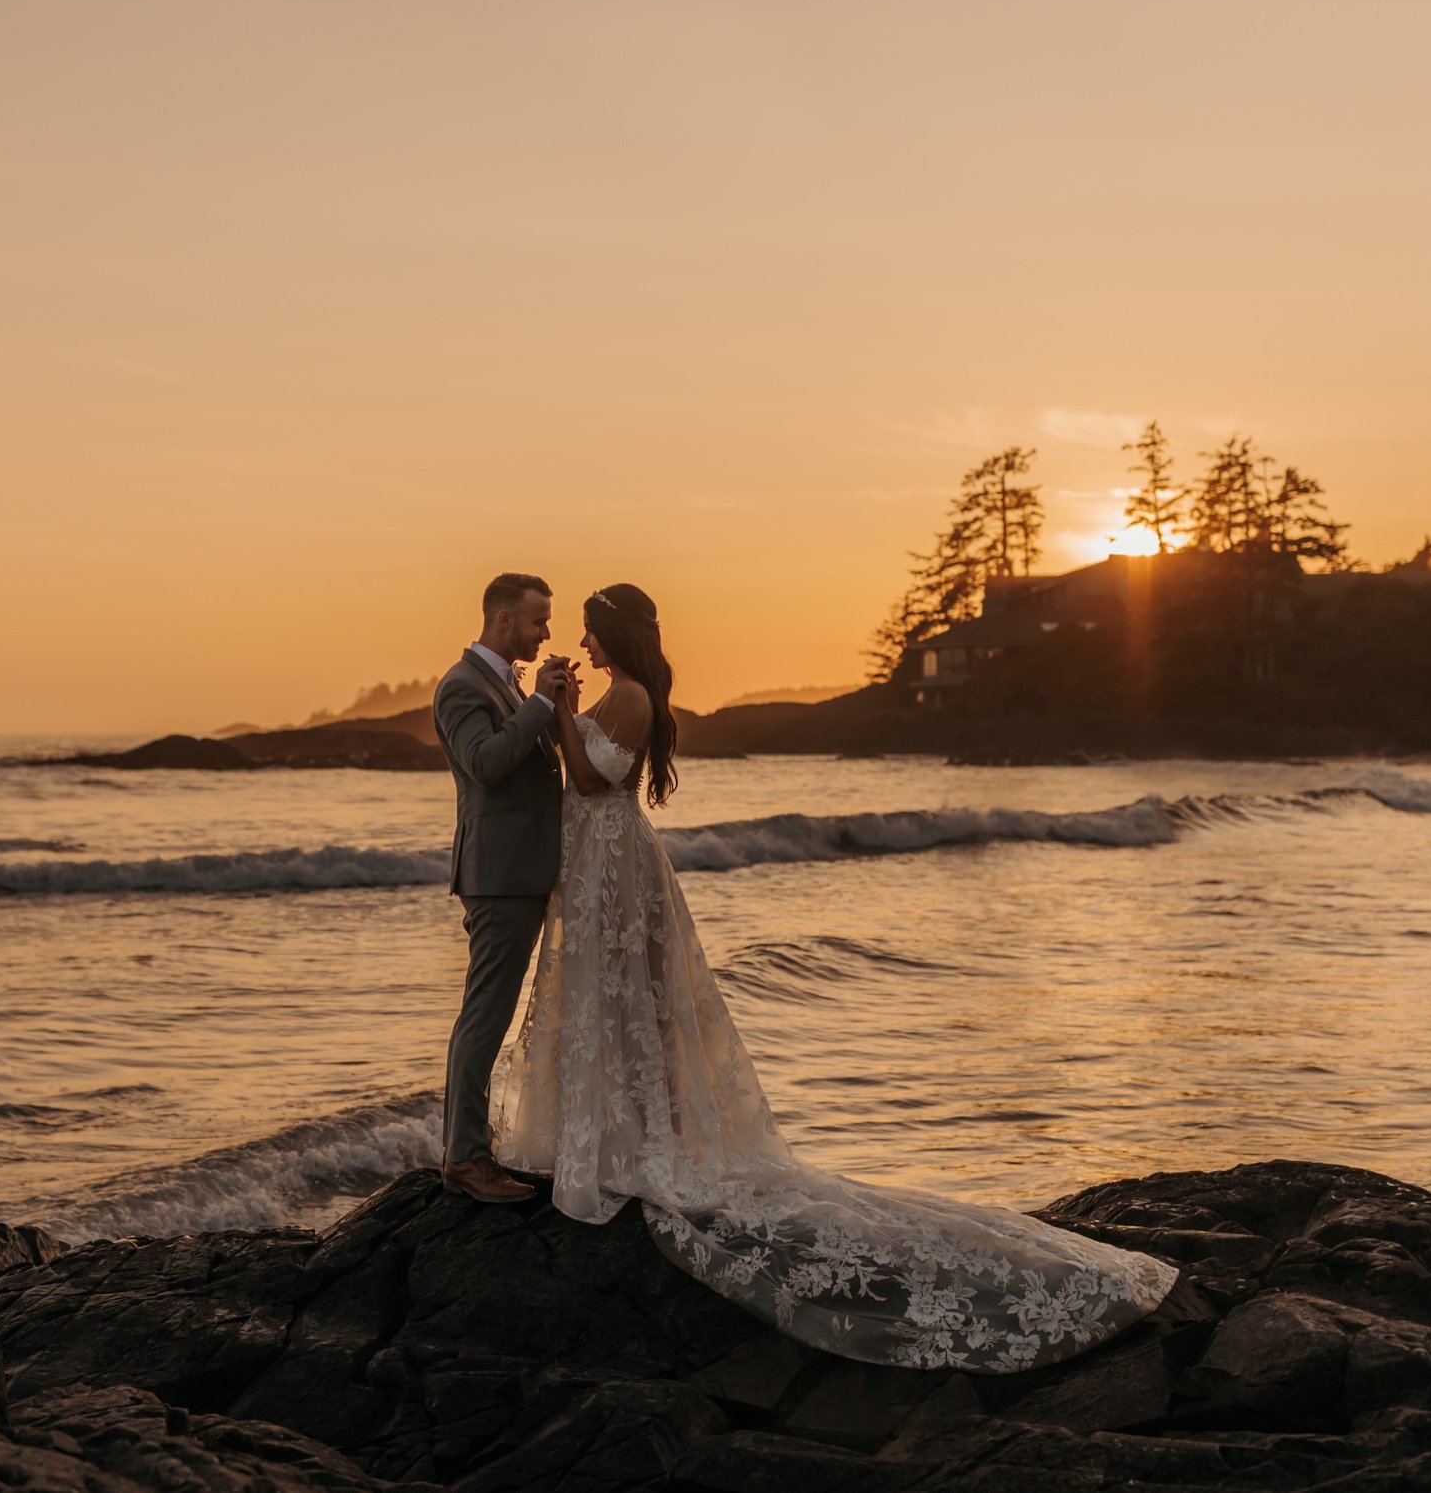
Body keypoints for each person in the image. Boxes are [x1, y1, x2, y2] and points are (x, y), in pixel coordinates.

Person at [488, 581, 1180, 1372]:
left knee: (623, 1004)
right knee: (606, 1005)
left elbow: (586, 781)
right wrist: (559, 709)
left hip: (613, 862)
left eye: (590, 633)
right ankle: (612, 1132)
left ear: (616, 634)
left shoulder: (635, 697)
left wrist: (557, 709)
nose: (583, 644)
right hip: (597, 863)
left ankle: (632, 1143)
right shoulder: (620, 693)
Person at [431, 571, 576, 1204]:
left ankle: (477, 1148)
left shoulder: (505, 683)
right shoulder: (462, 686)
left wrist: (553, 706)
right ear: (503, 620)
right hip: (497, 877)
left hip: (523, 870)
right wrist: (541, 706)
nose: (546, 631)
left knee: (490, 1013)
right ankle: (464, 1159)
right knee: (484, 1017)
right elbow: (486, 764)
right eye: (538, 620)